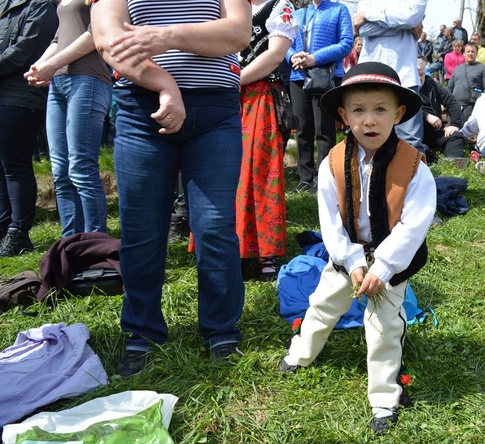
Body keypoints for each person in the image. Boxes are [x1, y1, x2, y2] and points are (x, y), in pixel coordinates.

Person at [91, 0, 252, 376]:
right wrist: (165, 84)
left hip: (216, 110)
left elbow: (237, 33)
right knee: (142, 229)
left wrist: (161, 36)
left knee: (214, 226)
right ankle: (141, 331)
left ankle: (221, 329)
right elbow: (108, 40)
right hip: (141, 110)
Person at [278, 62, 436, 435]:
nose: (369, 121)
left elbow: (415, 224)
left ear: (398, 114)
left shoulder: (414, 167)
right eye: (359, 110)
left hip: (390, 263)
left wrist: (382, 268)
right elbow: (329, 220)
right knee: (322, 306)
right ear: (343, 115)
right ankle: (300, 354)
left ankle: (384, 397)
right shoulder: (332, 162)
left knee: (382, 327)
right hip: (346, 255)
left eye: (380, 109)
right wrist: (350, 261)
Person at [25, 0, 112, 237]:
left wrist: (51, 65)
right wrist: (39, 67)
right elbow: (58, 40)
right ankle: (71, 242)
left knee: (81, 168)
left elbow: (95, 33)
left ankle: (95, 243)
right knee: (61, 172)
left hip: (88, 81)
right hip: (59, 84)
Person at [237, 0, 298, 281]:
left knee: (262, 172)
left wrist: (234, 79)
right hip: (226, 96)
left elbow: (274, 56)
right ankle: (230, 248)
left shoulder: (279, 5)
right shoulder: (230, 4)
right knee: (225, 172)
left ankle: (266, 253)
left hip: (259, 96)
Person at [0, 0, 58, 257]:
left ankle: (18, 231)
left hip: (22, 95)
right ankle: (3, 228)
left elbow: (25, 50)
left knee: (14, 163)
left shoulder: (41, 5)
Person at [286, 0, 353, 194]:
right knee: (302, 129)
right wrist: (292, 56)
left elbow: (346, 43)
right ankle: (305, 179)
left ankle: (322, 180)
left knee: (324, 130)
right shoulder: (297, 13)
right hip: (298, 76)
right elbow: (284, 40)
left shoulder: (339, 10)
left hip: (325, 76)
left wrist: (315, 58)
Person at [354, 0, 428, 151]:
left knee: (411, 143)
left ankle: (411, 175)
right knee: (368, 138)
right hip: (371, 76)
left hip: (405, 76)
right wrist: (404, 25)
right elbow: (364, 30)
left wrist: (368, 15)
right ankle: (371, 175)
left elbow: (410, 18)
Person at [416, 56, 464, 163]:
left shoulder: (432, 85)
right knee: (420, 150)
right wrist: (426, 116)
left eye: (421, 75)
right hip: (414, 134)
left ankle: (452, 161)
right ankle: (434, 159)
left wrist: (454, 124)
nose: (419, 78)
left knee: (456, 136)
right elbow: (406, 107)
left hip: (434, 131)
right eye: (416, 75)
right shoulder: (405, 88)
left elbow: (452, 102)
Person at [448, 42, 485, 121]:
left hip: (472, 107)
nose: (470, 54)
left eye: (473, 52)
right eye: (468, 51)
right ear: (463, 53)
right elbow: (450, 88)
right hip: (455, 106)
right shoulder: (457, 69)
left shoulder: (483, 68)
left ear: (476, 54)